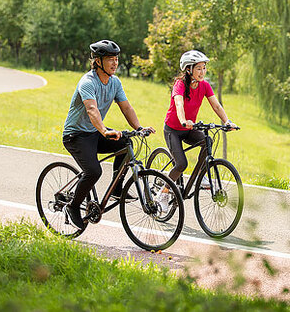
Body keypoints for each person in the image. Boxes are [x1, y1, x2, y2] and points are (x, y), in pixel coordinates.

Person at [62, 39, 154, 230]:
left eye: (116, 59)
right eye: (110, 59)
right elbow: (92, 109)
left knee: (124, 143)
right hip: (76, 136)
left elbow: (126, 107)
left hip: (94, 133)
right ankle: (73, 207)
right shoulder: (87, 82)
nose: (115, 63)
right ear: (97, 61)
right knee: (94, 172)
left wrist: (138, 127)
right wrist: (104, 131)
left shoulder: (115, 82)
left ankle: (116, 189)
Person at [159, 50, 236, 209]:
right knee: (181, 164)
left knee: (207, 140)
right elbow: (179, 104)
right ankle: (163, 192)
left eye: (204, 68)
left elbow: (216, 105)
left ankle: (203, 175)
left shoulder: (205, 86)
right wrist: (183, 120)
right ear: (189, 69)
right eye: (199, 68)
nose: (203, 72)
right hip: (173, 129)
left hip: (189, 128)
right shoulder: (180, 84)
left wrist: (227, 121)